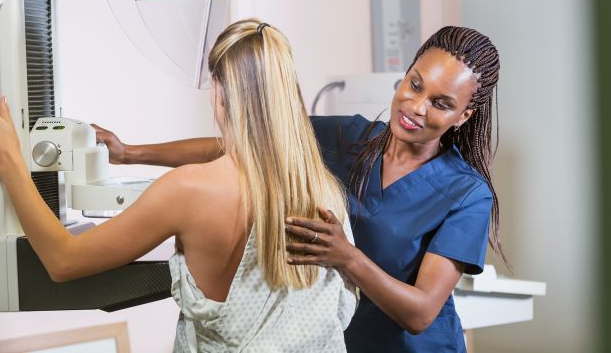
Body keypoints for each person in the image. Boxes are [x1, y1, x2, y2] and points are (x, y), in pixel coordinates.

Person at [93, 26, 505, 352]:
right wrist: (129, 152)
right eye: (415, 85)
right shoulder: (349, 137)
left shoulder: (466, 192)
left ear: (464, 115)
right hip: (341, 342)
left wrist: (347, 257)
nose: (416, 107)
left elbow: (420, 314)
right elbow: (243, 146)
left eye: (441, 103)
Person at [0, 19, 357, 352]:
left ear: (219, 92)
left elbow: (63, 261)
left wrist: (9, 162)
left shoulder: (188, 192)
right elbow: (243, 155)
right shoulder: (323, 192)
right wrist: (130, 152)